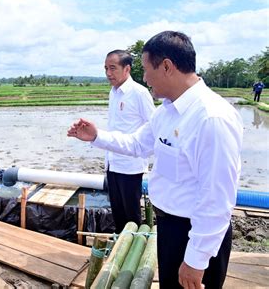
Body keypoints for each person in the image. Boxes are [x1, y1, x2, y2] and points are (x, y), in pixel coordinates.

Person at [68, 31, 243, 289]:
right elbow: (138, 144)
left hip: (194, 234)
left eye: (146, 69)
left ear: (167, 66)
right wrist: (97, 136)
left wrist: (196, 259)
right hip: (171, 228)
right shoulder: (167, 112)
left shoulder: (211, 118)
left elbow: (217, 198)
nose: (145, 78)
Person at [81, 49, 155, 233]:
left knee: (132, 216)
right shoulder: (113, 93)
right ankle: (120, 250)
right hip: (112, 163)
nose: (108, 73)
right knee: (118, 214)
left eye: (113, 68)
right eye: (106, 68)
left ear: (127, 69)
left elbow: (153, 128)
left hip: (130, 166)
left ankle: (134, 253)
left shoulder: (139, 93)